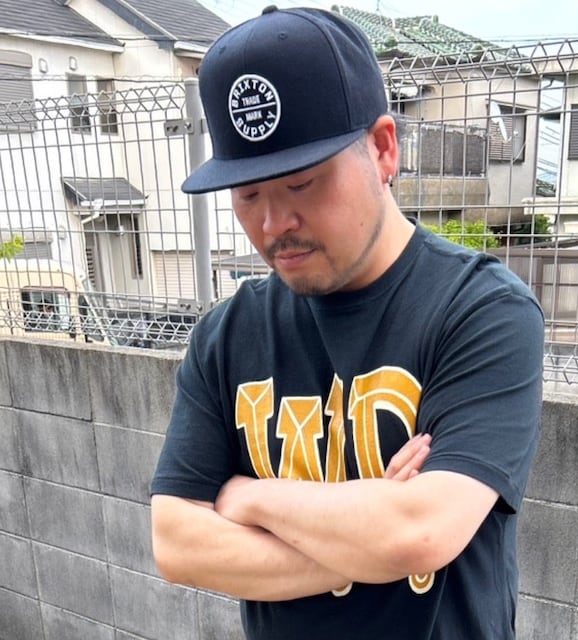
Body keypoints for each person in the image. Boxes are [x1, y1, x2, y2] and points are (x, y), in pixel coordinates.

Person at [150, 6, 544, 639]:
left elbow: (420, 531)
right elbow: (176, 542)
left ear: (383, 149)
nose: (274, 224)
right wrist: (369, 536)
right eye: (247, 194)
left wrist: (251, 497)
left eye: (302, 184)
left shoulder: (480, 310)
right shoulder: (227, 334)